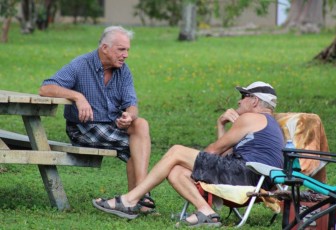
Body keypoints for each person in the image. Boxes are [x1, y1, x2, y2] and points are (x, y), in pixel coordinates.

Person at [92, 81, 285, 227]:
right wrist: (221, 125)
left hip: (248, 174)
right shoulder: (268, 124)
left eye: (243, 96)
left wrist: (193, 158)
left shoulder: (252, 117)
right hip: (254, 176)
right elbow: (224, 156)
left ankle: (130, 200)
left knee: (176, 151)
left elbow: (214, 152)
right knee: (176, 171)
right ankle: (206, 211)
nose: (239, 100)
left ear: (254, 100)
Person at [39, 26, 154, 211]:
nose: (125, 55)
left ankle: (137, 199)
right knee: (137, 146)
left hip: (111, 126)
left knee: (141, 124)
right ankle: (141, 198)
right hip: (83, 128)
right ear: (105, 48)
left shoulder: (123, 70)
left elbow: (132, 103)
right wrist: (78, 96)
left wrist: (129, 116)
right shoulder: (81, 64)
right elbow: (45, 88)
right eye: (121, 49)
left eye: (127, 50)